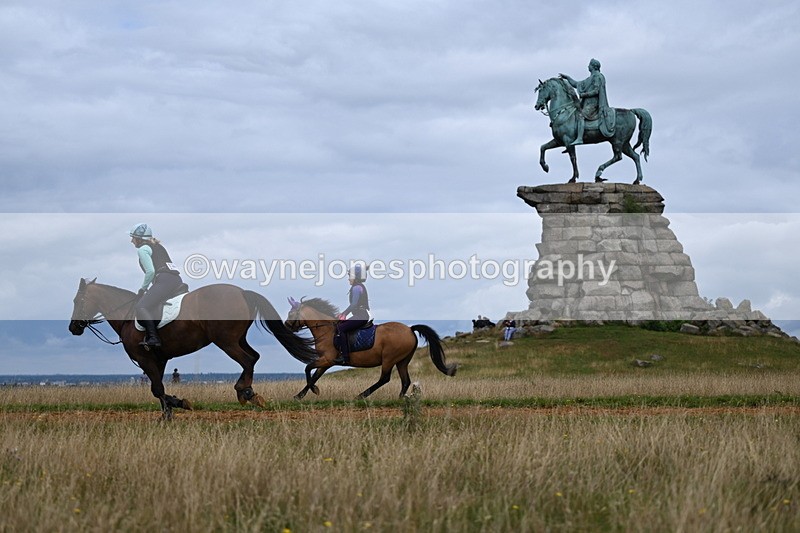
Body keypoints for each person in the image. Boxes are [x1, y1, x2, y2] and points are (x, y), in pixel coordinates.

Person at [129, 223, 183, 348]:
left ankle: (154, 338)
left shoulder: (142, 250)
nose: (131, 241)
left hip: (164, 280)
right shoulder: (158, 246)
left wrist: (142, 289)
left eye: (133, 238)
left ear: (139, 238)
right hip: (176, 279)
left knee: (141, 306)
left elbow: (151, 271)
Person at [559, 58, 616, 146]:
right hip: (587, 104)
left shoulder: (598, 76)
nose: (588, 66)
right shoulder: (590, 78)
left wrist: (584, 95)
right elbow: (576, 84)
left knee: (580, 115)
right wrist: (567, 78)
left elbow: (596, 91)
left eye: (589, 65)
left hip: (594, 104)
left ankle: (580, 138)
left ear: (593, 66)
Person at [335, 264, 371, 364]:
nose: (348, 279)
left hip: (360, 316)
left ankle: (345, 357)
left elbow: (354, 304)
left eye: (350, 276)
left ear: (355, 277)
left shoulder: (357, 288)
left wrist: (344, 314)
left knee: (340, 329)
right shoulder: (358, 287)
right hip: (360, 315)